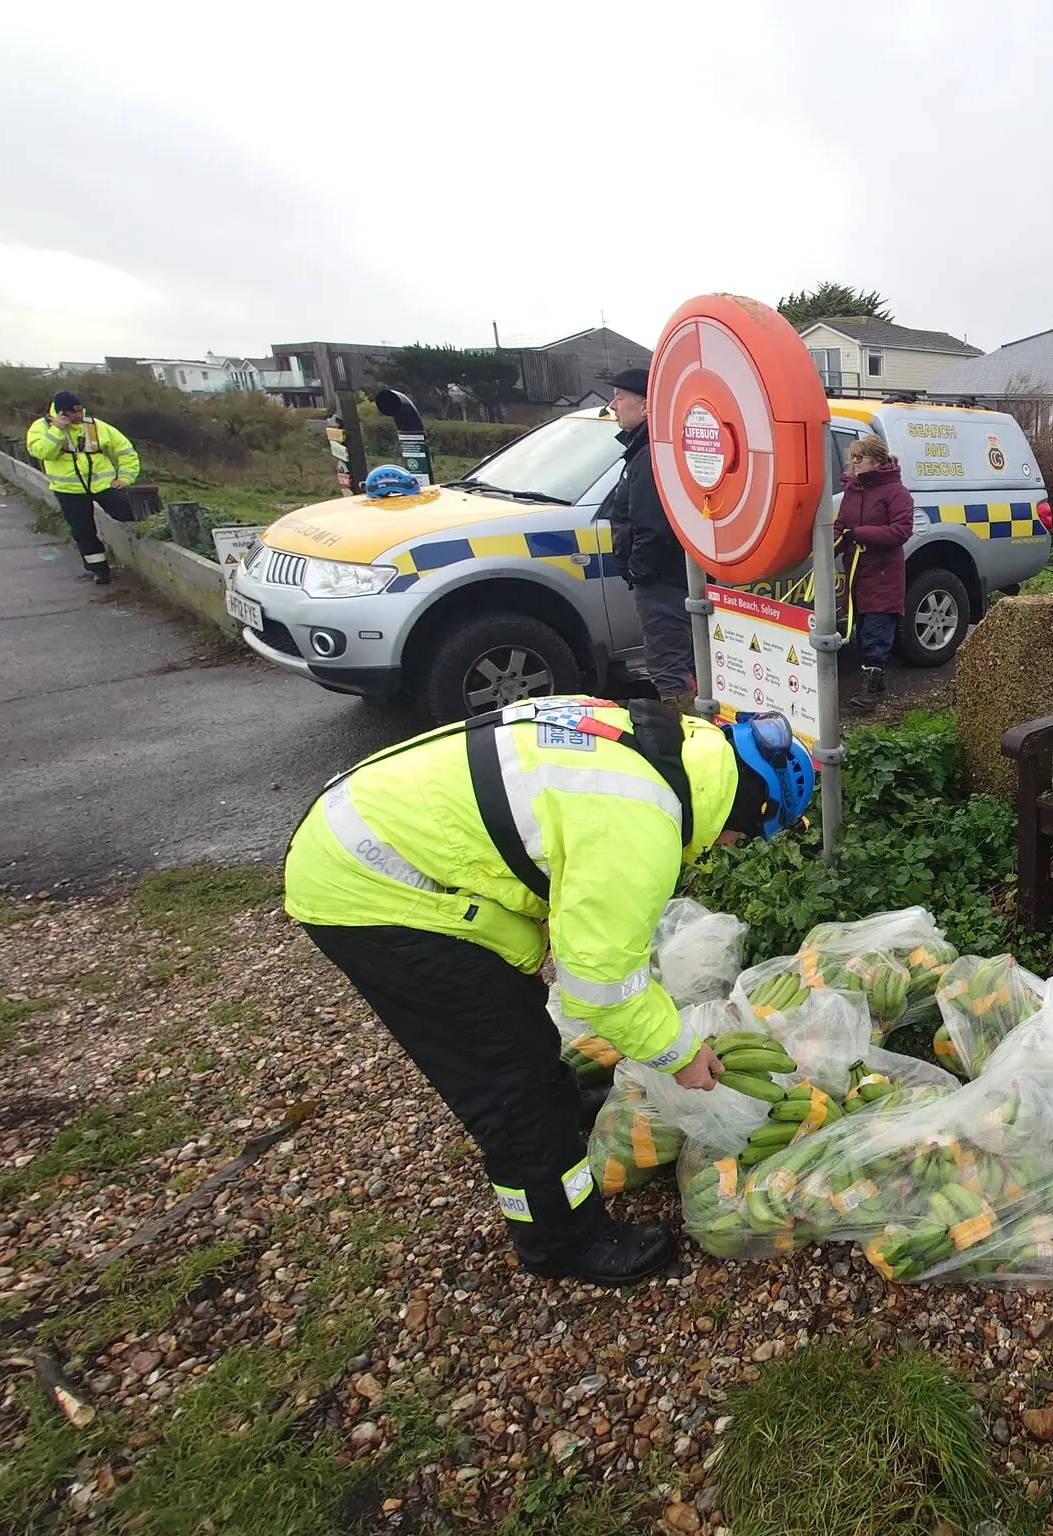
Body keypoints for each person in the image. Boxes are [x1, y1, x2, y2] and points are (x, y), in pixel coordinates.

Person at [284, 697, 815, 1286]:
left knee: (520, 1037)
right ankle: (562, 1242)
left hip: (376, 828)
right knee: (509, 1082)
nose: (730, 847)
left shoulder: (663, 744)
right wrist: (681, 1055)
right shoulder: (641, 824)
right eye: (743, 836)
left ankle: (556, 1125)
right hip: (376, 889)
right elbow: (603, 989)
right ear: (746, 810)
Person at [603, 367, 696, 713]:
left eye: (620, 396)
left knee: (669, 667)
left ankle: (686, 739)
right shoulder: (646, 450)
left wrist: (638, 571)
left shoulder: (649, 456)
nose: (613, 405)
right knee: (684, 662)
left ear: (646, 408)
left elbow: (654, 528)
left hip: (662, 583)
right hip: (669, 579)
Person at [26, 391, 140, 585]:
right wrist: (57, 430)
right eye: (74, 413)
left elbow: (126, 451)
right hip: (69, 490)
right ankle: (99, 570)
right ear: (62, 413)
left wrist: (124, 478)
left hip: (103, 485)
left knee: (127, 511)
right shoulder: (42, 427)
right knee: (83, 531)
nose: (79, 416)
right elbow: (41, 452)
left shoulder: (95, 426)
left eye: (81, 411)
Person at [836, 435, 913, 704]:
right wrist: (826, 548)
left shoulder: (896, 493)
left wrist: (858, 534)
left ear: (877, 461)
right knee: (861, 629)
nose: (855, 463)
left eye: (861, 457)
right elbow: (841, 525)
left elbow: (900, 531)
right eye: (853, 458)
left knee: (876, 631)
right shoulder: (853, 490)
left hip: (883, 574)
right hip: (857, 573)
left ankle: (869, 691)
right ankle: (876, 684)